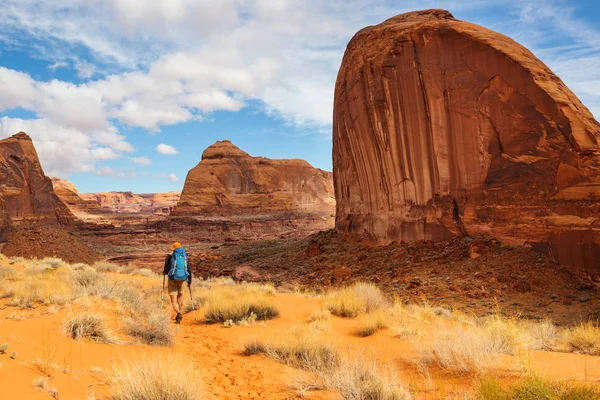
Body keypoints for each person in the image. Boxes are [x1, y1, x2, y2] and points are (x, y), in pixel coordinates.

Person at [163, 242, 192, 324]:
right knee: (180, 297)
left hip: (172, 279)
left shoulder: (170, 256)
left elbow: (166, 268)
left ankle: (178, 313)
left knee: (173, 300)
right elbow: (189, 269)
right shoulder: (184, 255)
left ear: (174, 248)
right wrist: (190, 281)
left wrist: (165, 272)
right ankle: (179, 314)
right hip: (183, 279)